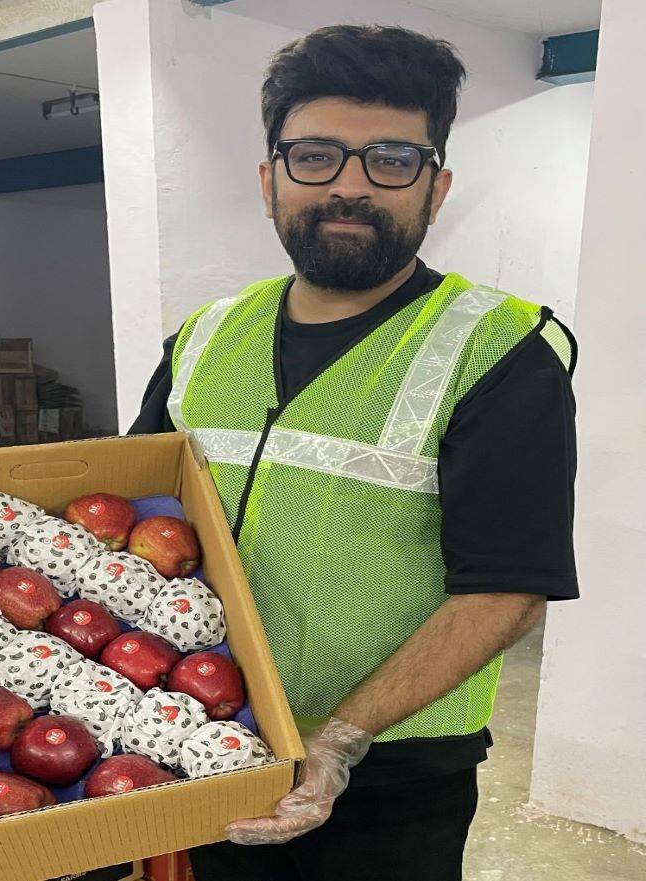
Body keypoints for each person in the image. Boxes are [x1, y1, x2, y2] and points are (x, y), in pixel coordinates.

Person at [130, 24, 579, 881]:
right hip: (208, 738)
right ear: (269, 181)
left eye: (390, 161)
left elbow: (506, 587)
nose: (349, 186)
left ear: (436, 188)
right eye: (316, 157)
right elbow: (130, 526)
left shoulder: (498, 350)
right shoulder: (202, 339)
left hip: (394, 776)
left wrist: (338, 739)